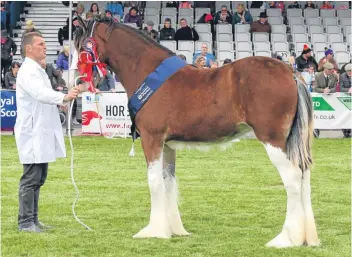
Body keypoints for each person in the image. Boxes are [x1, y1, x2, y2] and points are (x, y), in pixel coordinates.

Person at [15, 32, 79, 233]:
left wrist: (60, 102)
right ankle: (25, 222)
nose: (45, 46)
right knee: (31, 177)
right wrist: (64, 97)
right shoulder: (28, 71)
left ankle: (33, 219)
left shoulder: (38, 70)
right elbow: (39, 93)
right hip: (33, 130)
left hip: (40, 128)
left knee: (39, 177)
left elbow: (44, 94)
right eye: (40, 44)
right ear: (29, 49)